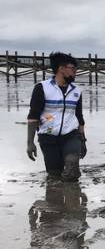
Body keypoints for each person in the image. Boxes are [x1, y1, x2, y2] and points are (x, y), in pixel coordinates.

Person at [26, 52, 87, 181]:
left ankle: (73, 198)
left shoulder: (77, 90)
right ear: (61, 69)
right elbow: (33, 118)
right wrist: (30, 143)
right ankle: (55, 199)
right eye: (73, 69)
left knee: (71, 170)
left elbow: (79, 117)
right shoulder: (42, 88)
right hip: (48, 137)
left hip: (71, 135)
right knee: (54, 175)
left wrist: (82, 140)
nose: (75, 72)